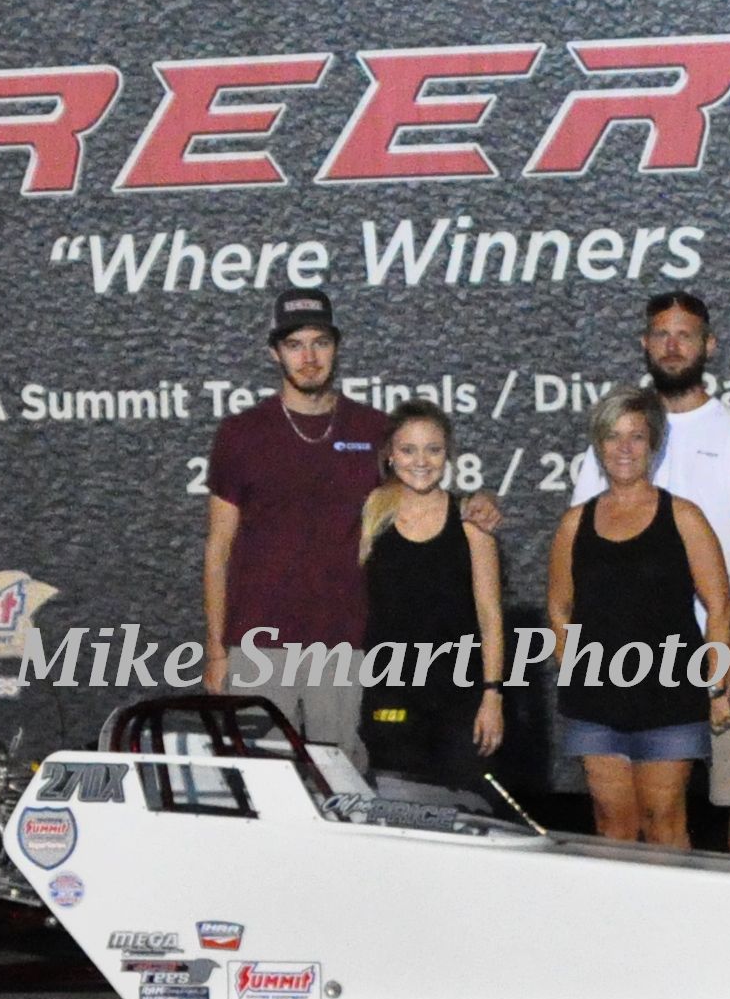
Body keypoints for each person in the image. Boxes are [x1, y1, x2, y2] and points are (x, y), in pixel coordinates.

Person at [200, 288, 499, 763]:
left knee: (342, 777)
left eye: (320, 342)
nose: (309, 357)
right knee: (262, 779)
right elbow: (218, 550)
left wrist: (479, 502)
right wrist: (217, 652)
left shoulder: (372, 429)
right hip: (258, 644)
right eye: (295, 345)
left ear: (337, 347)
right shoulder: (241, 434)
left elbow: (422, 489)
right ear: (274, 352)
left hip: (344, 642)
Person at [570, 291, 730, 857]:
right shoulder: (619, 438)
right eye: (661, 334)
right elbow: (581, 545)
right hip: (632, 661)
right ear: (645, 343)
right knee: (637, 815)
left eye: (685, 334)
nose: (672, 345)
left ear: (709, 345)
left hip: (720, 645)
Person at [547, 387, 730, 846]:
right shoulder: (575, 523)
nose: (624, 448)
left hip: (670, 699)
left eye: (636, 436)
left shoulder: (684, 517)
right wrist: (577, 670)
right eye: (613, 437)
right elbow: (559, 607)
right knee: (613, 827)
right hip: (595, 705)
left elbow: (719, 606)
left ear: (653, 443)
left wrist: (717, 686)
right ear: (598, 445)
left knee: (663, 823)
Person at [357, 401, 505, 792]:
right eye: (408, 450)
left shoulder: (472, 523)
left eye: (433, 449)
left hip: (461, 699)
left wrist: (492, 696)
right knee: (399, 810)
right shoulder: (370, 518)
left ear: (448, 454)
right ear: (390, 455)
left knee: (466, 813)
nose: (421, 461)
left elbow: (490, 617)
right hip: (389, 695)